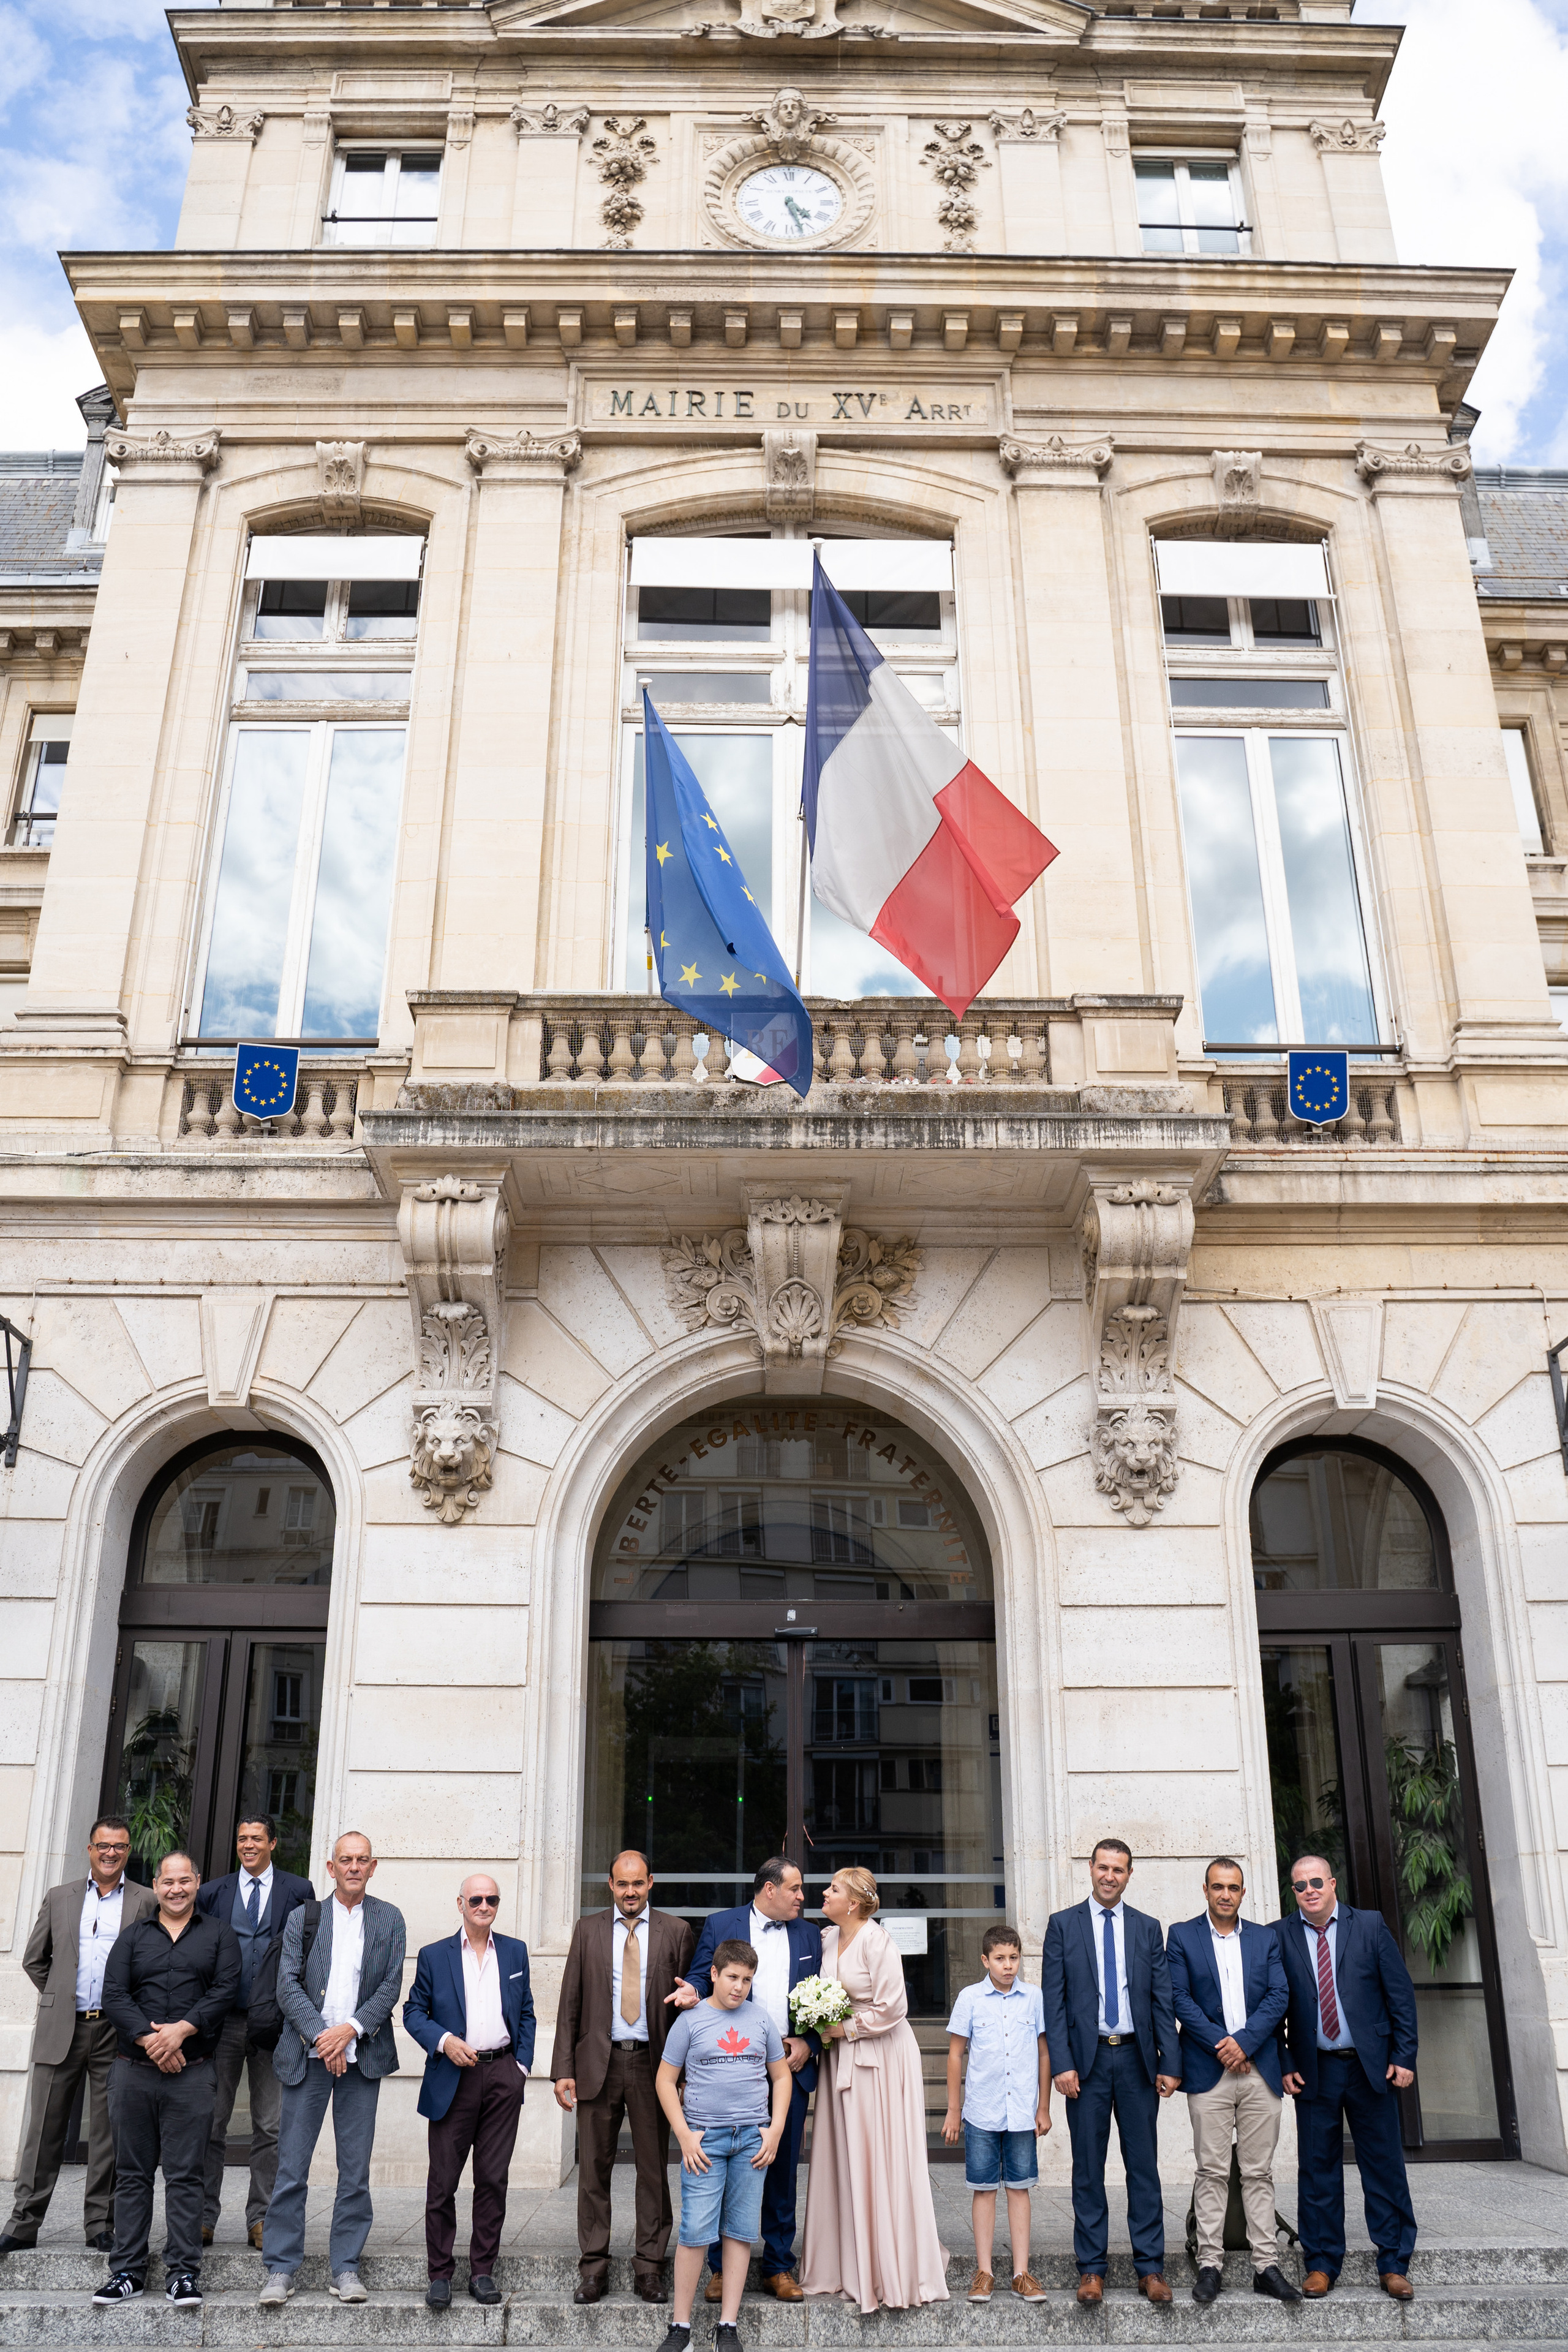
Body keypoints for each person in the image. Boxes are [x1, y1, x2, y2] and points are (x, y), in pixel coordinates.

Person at [258, 1831, 406, 2310]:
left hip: (362, 2058)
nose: (354, 1867)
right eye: (346, 1860)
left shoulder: (389, 1919)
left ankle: (346, 2267)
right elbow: (287, 1985)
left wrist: (351, 2031)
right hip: (308, 2055)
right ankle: (281, 2268)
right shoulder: (305, 1917)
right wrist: (325, 2036)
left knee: (355, 2169)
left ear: (374, 1866)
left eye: (363, 1860)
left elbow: (391, 1985)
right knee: (292, 2167)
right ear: (331, 1867)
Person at [666, 1856, 822, 2301]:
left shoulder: (810, 1934)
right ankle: (718, 2268)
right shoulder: (720, 1923)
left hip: (786, 2067)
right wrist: (692, 1991)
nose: (801, 1897)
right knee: (721, 2168)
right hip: (729, 2067)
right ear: (769, 1889)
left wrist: (808, 2042)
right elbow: (702, 1976)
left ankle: (778, 2265)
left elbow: (825, 1995)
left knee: (782, 2163)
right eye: (794, 1888)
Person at [0, 1817, 156, 2259]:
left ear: (128, 1852)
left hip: (116, 2030)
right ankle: (24, 2223)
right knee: (43, 2130)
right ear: (90, 1849)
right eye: (104, 1846)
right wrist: (60, 1994)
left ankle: (99, 2224)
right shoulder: (60, 1897)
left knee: (109, 2132)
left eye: (120, 1847)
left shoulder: (144, 1901)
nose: (111, 1853)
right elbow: (35, 1960)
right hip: (63, 2026)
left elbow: (147, 1965)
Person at [92, 1850, 241, 2310]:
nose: (177, 1889)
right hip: (133, 2071)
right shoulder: (133, 1938)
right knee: (133, 2174)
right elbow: (114, 1994)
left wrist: (181, 2031)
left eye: (185, 1880)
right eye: (168, 1881)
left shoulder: (219, 1935)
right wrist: (149, 2039)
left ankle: (183, 2274)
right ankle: (127, 2272)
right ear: (155, 1886)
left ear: (198, 1882)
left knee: (185, 2175)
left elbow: (225, 1990)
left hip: (193, 2075)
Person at [798, 1865, 948, 2313]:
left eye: (834, 1889)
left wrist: (845, 2029)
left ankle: (886, 2262)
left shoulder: (877, 1940)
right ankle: (843, 2260)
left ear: (856, 1902)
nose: (824, 1893)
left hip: (878, 2055)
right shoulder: (826, 1938)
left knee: (877, 2151)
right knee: (844, 2152)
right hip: (840, 2054)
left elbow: (894, 2006)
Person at [1039, 1837, 1180, 2306]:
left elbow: (1162, 2000)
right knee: (1088, 2170)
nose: (1109, 1876)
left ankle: (1151, 2268)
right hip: (1088, 2064)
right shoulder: (1063, 1925)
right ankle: (1092, 2270)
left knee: (1144, 2169)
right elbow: (1053, 2004)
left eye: (1119, 1870)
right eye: (1103, 1867)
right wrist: (1063, 2064)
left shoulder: (1147, 1927)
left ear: (1129, 1874)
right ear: (1091, 1868)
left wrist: (1170, 2062)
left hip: (1138, 2061)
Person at [550, 1850, 696, 2305]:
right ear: (610, 1885)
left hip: (657, 2067)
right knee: (594, 2168)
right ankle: (593, 2268)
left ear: (650, 1882)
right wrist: (563, 2072)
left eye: (637, 1883)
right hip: (600, 2063)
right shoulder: (588, 1929)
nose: (630, 1892)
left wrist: (688, 2073)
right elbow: (569, 2003)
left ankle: (650, 2267)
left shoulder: (677, 1932)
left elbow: (690, 2011)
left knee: (653, 2169)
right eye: (621, 1884)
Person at [1274, 1852, 1419, 2304]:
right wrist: (1283, 2062)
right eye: (1300, 1885)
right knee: (1317, 2169)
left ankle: (1393, 2262)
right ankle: (1321, 2263)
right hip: (1313, 2068)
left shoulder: (1370, 1926)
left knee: (1384, 2166)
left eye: (1316, 1881)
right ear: (1293, 1892)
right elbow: (1271, 2005)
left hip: (1369, 2065)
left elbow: (1400, 1995)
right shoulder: (1279, 1936)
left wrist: (1404, 2055)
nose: (1309, 1890)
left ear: (1333, 1883)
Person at [1166, 1857, 1297, 2307]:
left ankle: (1266, 2265)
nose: (1226, 1894)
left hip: (1260, 2069)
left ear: (1243, 1893)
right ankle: (1209, 2264)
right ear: (1205, 1890)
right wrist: (1224, 2044)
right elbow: (1179, 1998)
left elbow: (1280, 1995)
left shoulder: (1265, 1938)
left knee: (1259, 2172)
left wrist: (1244, 2043)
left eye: (1234, 1887)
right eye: (1218, 1887)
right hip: (1209, 2071)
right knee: (1212, 2171)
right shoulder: (1182, 1935)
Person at [403, 1874, 536, 2310]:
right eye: (475, 1899)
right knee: (442, 2182)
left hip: (501, 2075)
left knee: (493, 2179)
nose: (484, 1905)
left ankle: (482, 2271)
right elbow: (413, 2012)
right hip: (452, 2078)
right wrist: (444, 2040)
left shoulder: (515, 1951)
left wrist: (521, 2066)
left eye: (491, 1899)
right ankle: (440, 2274)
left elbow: (528, 2012)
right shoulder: (434, 1955)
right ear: (460, 1902)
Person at [655, 1939, 792, 2352]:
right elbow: (665, 2080)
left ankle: (727, 2325)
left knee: (739, 2233)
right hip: (704, 2141)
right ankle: (681, 2326)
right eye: (732, 1977)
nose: (739, 1987)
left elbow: (781, 2077)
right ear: (713, 1974)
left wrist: (776, 2129)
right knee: (696, 2230)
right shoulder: (691, 2022)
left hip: (752, 2139)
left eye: (747, 1980)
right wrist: (683, 2133)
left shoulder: (761, 2020)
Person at [194, 1814, 313, 2250]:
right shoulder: (212, 1894)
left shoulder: (298, 1892)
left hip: (275, 2023)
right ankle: (203, 2217)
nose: (248, 1845)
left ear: (273, 1844)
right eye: (242, 1838)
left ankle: (261, 2219)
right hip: (222, 2023)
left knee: (270, 2125)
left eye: (256, 1838)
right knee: (212, 2122)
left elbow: (308, 1953)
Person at [941, 1922, 1050, 2303]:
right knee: (984, 2189)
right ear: (985, 1960)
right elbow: (956, 2055)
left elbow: (1043, 2054)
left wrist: (1044, 2107)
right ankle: (984, 2272)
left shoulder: (1034, 1997)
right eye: (1000, 1959)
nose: (1008, 1965)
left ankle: (1022, 2273)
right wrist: (954, 2111)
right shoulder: (970, 1998)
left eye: (1014, 1958)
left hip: (1021, 2110)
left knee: (1020, 2188)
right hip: (982, 2111)